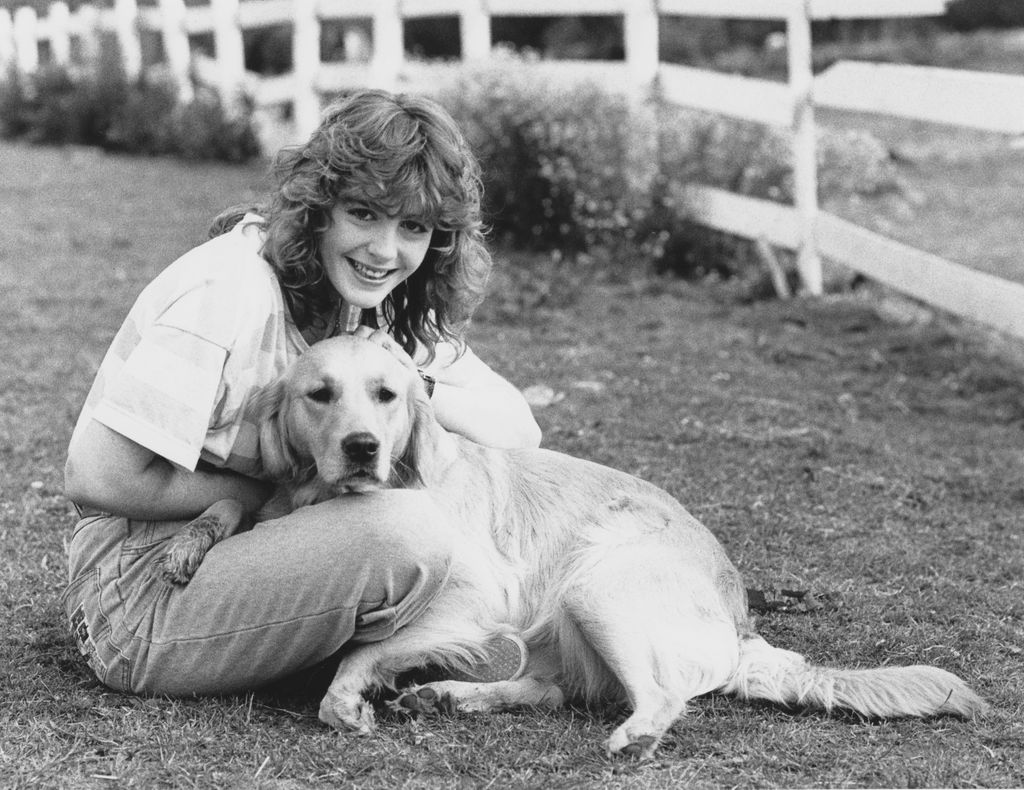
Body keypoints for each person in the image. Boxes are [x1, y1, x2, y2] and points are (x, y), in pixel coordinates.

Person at [62, 89, 541, 697]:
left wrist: (414, 384)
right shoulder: (227, 289)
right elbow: (94, 477)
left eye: (413, 227)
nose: (385, 251)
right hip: (139, 597)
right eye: (364, 214)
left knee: (428, 510)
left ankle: (426, 642)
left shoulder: (367, 313)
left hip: (248, 550)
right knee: (408, 530)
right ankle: (429, 644)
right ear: (318, 208)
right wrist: (268, 487)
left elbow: (519, 428)